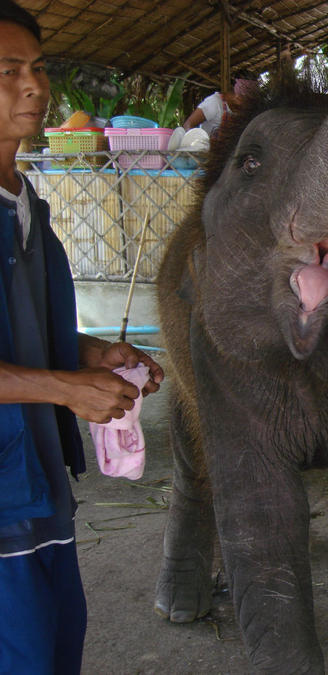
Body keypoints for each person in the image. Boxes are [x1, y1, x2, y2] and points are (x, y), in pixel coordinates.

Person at [0, 3, 165, 672]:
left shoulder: (24, 198)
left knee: (57, 646)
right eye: (7, 71)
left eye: (37, 68)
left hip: (36, 479)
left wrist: (89, 354)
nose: (33, 86)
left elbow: (24, 325)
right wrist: (64, 387)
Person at [182, 72, 257, 136]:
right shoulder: (214, 103)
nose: (248, 103)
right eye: (246, 99)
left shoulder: (244, 111)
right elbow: (188, 125)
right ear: (236, 95)